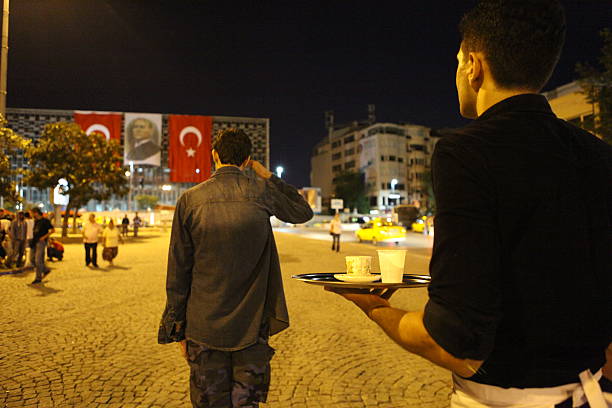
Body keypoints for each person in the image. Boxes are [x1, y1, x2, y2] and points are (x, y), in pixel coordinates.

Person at [326, 1, 611, 407]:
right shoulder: (597, 154)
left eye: (458, 61)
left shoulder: (466, 152)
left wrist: (374, 307)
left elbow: (458, 337)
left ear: (474, 66)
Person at [158, 128, 313, 408]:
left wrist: (177, 328)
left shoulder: (190, 200)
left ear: (214, 155)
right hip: (251, 328)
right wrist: (268, 176)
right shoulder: (261, 192)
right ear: (248, 159)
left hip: (203, 326)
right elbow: (303, 211)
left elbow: (178, 271)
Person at [30, 208, 54, 284]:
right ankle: (45, 269)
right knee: (32, 259)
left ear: (36, 213)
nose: (31, 215)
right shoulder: (36, 221)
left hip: (41, 242)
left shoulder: (45, 221)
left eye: (31, 213)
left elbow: (53, 230)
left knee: (38, 260)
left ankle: (38, 278)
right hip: (34, 242)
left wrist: (44, 237)